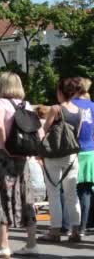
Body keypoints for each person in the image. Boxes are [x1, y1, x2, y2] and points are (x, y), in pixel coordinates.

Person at [0, 72, 38, 257]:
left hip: (3, 156)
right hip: (22, 156)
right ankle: (31, 243)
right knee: (25, 197)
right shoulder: (27, 105)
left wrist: (5, 146)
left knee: (1, 197)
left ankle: (3, 245)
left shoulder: (1, 103)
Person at [39, 77, 83, 243]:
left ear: (60, 92)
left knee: (54, 193)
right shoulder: (78, 111)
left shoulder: (56, 109)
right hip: (71, 157)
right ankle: (75, 231)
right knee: (72, 194)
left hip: (53, 156)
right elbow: (76, 135)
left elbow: (44, 130)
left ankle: (55, 230)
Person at [73, 77, 94, 237]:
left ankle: (70, 226)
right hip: (90, 151)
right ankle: (83, 227)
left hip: (73, 151)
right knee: (86, 190)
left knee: (69, 191)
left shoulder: (70, 105)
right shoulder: (93, 106)